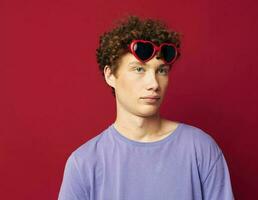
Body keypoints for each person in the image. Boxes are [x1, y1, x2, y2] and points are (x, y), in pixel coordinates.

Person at [58, 15, 234, 200]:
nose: (154, 83)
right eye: (139, 69)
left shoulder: (201, 149)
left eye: (161, 71)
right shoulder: (84, 163)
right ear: (110, 75)